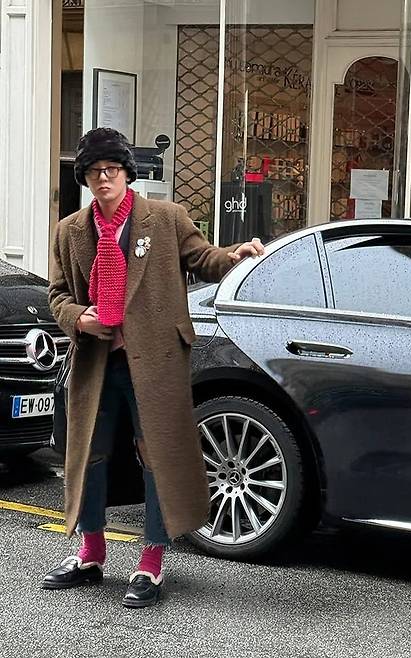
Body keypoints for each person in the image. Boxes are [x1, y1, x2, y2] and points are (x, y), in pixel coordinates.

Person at [42, 127, 264, 608]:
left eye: (111, 169)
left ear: (127, 173)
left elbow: (202, 258)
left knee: (156, 455)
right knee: (90, 454)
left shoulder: (166, 218)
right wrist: (78, 317)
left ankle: (151, 562)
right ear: (85, 178)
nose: (103, 178)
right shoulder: (69, 230)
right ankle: (91, 554)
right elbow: (57, 294)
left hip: (156, 360)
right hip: (97, 361)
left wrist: (233, 256)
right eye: (94, 171)